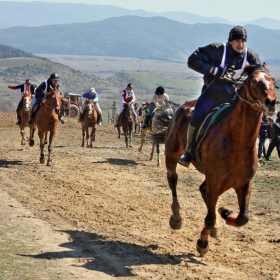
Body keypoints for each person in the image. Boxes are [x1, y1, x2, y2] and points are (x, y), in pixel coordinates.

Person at [178, 25, 261, 167]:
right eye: (237, 41)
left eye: (243, 41)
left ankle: (250, 154)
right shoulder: (216, 50)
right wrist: (214, 70)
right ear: (230, 41)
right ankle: (189, 152)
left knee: (248, 120)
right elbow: (192, 60)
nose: (240, 44)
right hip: (212, 94)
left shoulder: (251, 56)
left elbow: (258, 77)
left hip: (235, 96)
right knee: (197, 116)